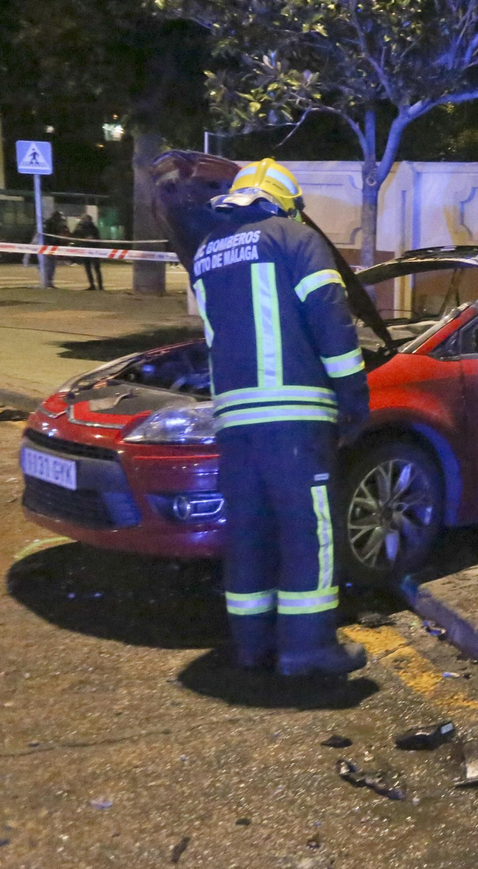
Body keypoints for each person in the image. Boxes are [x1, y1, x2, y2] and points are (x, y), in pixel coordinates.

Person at [192, 158, 371, 677]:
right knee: (306, 532)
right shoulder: (296, 239)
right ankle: (308, 650)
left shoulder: (206, 253)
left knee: (247, 533)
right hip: (294, 418)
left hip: (233, 419)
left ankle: (251, 648)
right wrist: (353, 396)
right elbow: (332, 324)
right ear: (286, 203)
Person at [72, 213, 104, 290]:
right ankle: (92, 285)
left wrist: (92, 239)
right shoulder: (80, 227)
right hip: (85, 250)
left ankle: (100, 286)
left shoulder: (93, 228)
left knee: (96, 268)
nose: (82, 220)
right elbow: (74, 235)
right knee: (87, 268)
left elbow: (97, 238)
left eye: (83, 219)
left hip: (94, 250)